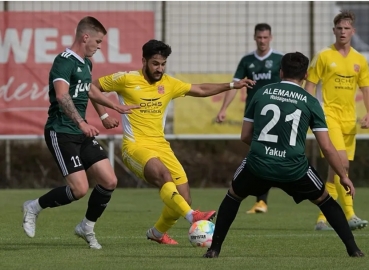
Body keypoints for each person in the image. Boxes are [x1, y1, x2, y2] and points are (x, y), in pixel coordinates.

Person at [91, 39, 255, 245]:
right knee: (164, 176)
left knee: (184, 198)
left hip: (161, 146)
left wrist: (232, 85)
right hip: (135, 146)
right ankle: (193, 217)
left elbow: (201, 89)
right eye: (155, 64)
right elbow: (92, 87)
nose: (160, 68)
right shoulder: (126, 79)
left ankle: (157, 233)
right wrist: (105, 116)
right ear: (144, 61)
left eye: (163, 64)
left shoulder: (168, 83)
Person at [203, 52, 364, 258]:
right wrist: (343, 176)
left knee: (233, 196)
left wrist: (267, 148)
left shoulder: (262, 92)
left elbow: (245, 135)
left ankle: (214, 249)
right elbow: (327, 147)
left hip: (258, 164)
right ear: (305, 75)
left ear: (280, 72)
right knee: (326, 200)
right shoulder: (310, 101)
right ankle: (354, 249)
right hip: (293, 168)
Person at [22, 16, 139, 249]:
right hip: (61, 131)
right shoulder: (63, 61)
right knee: (79, 189)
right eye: (97, 41)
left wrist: (110, 109)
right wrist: (82, 123)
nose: (99, 46)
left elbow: (90, 91)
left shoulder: (87, 63)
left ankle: (86, 227)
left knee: (109, 180)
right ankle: (33, 207)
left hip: (80, 132)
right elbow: (62, 95)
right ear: (85, 37)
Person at [305, 10, 369, 231]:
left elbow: (365, 88)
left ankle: (323, 219)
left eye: (346, 28)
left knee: (336, 171)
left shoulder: (359, 60)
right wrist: (309, 109)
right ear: (334, 31)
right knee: (342, 165)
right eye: (339, 28)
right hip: (328, 116)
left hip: (349, 121)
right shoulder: (323, 56)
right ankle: (350, 215)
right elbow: (310, 85)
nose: (342, 32)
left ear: (353, 31)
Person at [215, 23, 283, 214]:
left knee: (264, 154)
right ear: (255, 38)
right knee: (261, 153)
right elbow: (235, 85)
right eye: (259, 37)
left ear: (271, 38)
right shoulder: (247, 61)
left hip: (275, 116)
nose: (262, 41)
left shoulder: (279, 59)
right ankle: (261, 198)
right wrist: (223, 108)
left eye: (265, 37)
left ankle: (260, 198)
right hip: (254, 115)